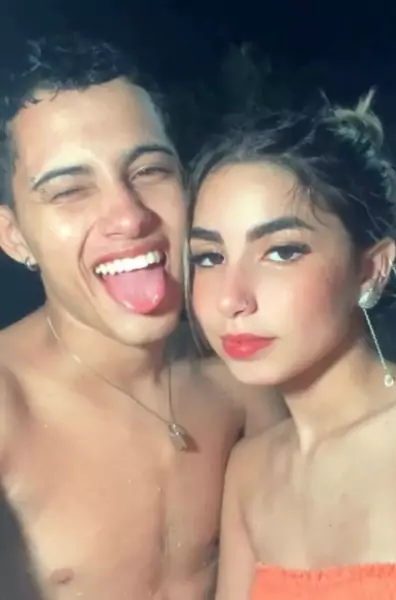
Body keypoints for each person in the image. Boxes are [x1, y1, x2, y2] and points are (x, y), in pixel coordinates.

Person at [0, 34, 288, 600]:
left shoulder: (241, 377)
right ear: (14, 237)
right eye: (69, 190)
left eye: (150, 170)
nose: (129, 217)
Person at [187, 93, 396, 599]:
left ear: (370, 270)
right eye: (209, 257)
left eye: (282, 252)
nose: (231, 298)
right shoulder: (250, 473)